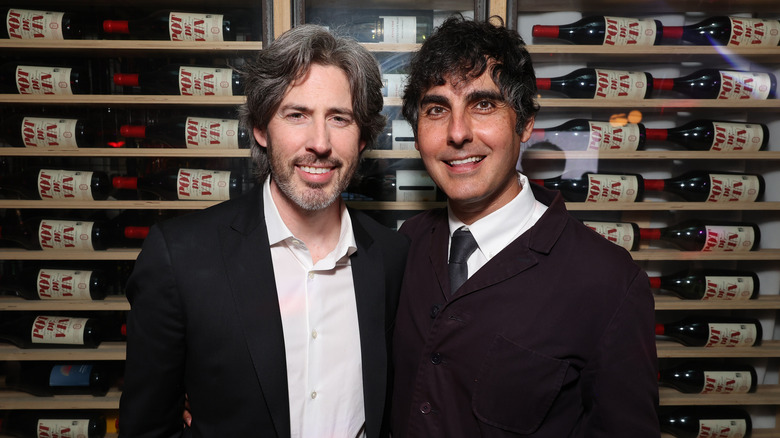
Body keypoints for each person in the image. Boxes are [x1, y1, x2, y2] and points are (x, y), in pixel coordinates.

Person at [119, 24, 408, 437]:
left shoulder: (394, 257)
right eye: (297, 115)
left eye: (339, 118)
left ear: (362, 138)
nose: (320, 143)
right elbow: (146, 429)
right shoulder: (180, 257)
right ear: (260, 128)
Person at [391, 16, 660, 437]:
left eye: (483, 104)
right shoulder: (405, 245)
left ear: (526, 122)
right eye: (437, 109)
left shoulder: (608, 283)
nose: (457, 133)